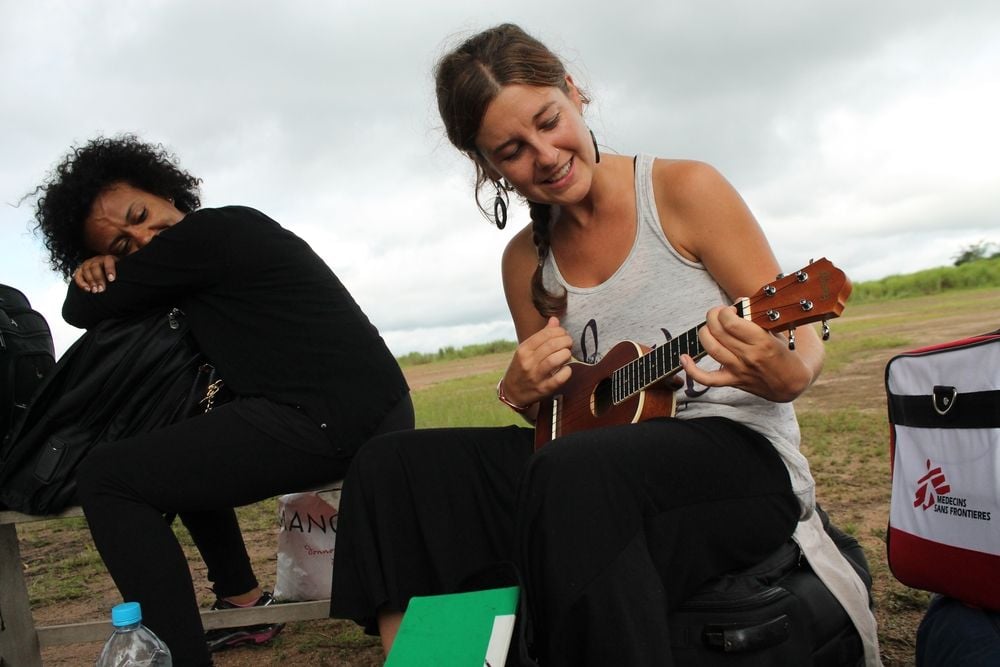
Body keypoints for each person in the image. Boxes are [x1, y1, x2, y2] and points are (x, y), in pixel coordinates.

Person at [330, 23, 879, 666]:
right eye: (511, 149)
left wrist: (791, 375)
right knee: (390, 467)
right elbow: (558, 421)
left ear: (575, 91)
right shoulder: (522, 263)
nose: (545, 153)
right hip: (588, 467)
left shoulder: (682, 191)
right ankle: (434, 658)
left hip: (739, 462)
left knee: (579, 474)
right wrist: (522, 390)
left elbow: (797, 332)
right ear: (487, 167)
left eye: (548, 120)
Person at [30, 134, 413, 667]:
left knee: (108, 478)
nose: (142, 237)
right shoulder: (215, 243)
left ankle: (181, 658)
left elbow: (81, 310)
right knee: (176, 444)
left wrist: (88, 275)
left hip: (327, 418)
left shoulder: (212, 231)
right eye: (120, 247)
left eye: (140, 213)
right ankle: (239, 594)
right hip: (362, 409)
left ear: (164, 190)